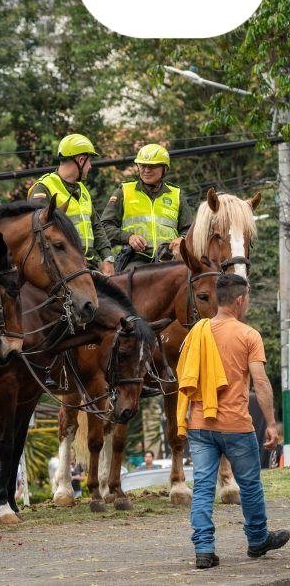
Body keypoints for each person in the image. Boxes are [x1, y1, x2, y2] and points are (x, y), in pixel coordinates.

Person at [177, 274, 289, 568]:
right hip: (236, 425)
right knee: (249, 485)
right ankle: (257, 540)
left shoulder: (197, 333)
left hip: (200, 424)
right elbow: (261, 382)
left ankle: (203, 549)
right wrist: (271, 423)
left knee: (203, 487)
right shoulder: (248, 335)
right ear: (240, 300)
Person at [28, 134, 115, 275]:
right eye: (89, 161)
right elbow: (38, 234)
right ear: (81, 160)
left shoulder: (82, 190)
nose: (90, 166)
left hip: (88, 266)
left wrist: (107, 258)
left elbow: (96, 226)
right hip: (61, 270)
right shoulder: (44, 188)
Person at [102, 143, 195, 271]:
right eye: (142, 165)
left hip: (170, 260)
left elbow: (190, 229)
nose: (146, 170)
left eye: (152, 166)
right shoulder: (124, 191)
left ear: (164, 168)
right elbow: (105, 227)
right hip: (136, 259)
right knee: (126, 282)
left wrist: (182, 239)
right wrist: (129, 237)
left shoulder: (176, 195)